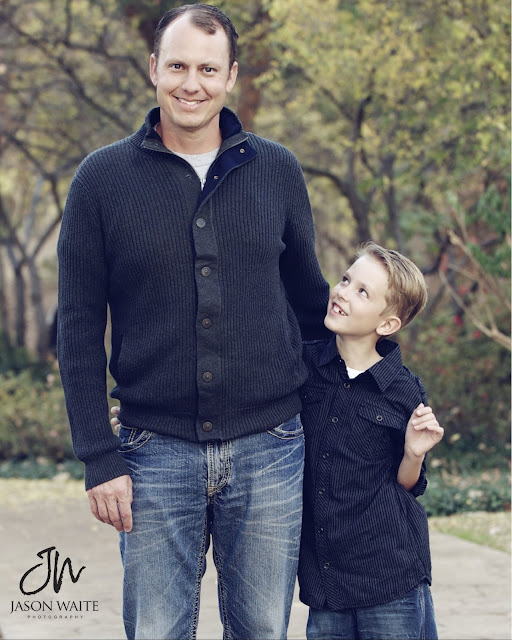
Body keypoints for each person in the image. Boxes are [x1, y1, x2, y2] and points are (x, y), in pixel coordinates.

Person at [57, 4, 333, 639]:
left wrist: (377, 381)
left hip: (270, 446)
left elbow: (310, 304)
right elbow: (76, 330)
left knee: (264, 630)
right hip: (152, 451)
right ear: (153, 68)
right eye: (178, 66)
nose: (192, 83)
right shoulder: (101, 180)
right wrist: (99, 457)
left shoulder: (277, 169)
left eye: (209, 69)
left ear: (231, 76)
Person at [297, 241, 444, 640]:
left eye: (362, 292)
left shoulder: (403, 390)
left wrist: (413, 453)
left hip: (389, 575)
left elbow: (408, 485)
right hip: (325, 582)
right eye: (346, 280)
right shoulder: (305, 367)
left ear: (387, 324)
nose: (343, 292)